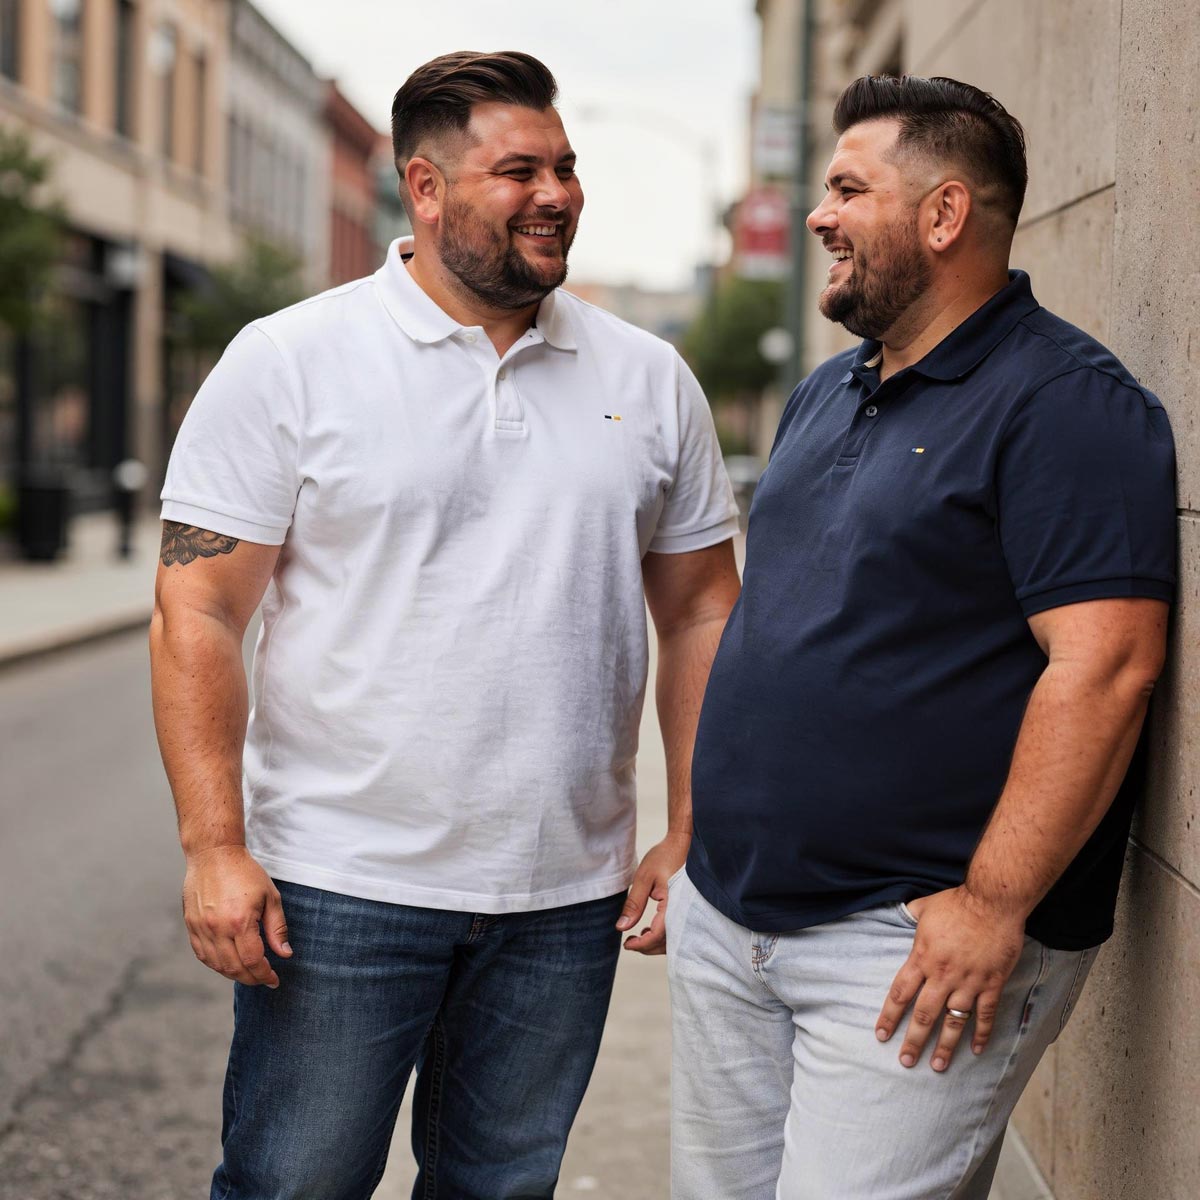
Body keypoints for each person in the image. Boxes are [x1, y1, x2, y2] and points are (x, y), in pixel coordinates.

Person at [150, 50, 740, 1200]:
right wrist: (215, 847)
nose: (557, 193)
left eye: (566, 167)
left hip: (565, 898)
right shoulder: (291, 360)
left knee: (501, 1188)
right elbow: (198, 607)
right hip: (337, 889)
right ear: (425, 188)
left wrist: (692, 825)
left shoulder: (651, 377)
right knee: (293, 1184)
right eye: (519, 170)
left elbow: (705, 604)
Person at [668, 74, 1176, 1200]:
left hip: (905, 945)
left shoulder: (1067, 404)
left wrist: (993, 905)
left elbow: (1107, 665)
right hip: (732, 920)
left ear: (943, 216)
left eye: (850, 188)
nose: (818, 214)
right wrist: (697, 846)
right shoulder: (827, 392)